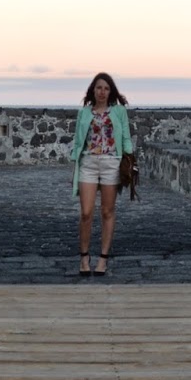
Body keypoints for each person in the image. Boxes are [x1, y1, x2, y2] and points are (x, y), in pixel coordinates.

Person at [70, 72, 133, 277]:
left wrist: (129, 160)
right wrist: (75, 162)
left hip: (111, 164)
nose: (102, 92)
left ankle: (103, 259)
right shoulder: (84, 113)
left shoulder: (119, 111)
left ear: (111, 91)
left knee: (107, 211)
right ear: (93, 90)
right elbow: (78, 141)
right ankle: (84, 257)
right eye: (99, 88)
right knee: (86, 213)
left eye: (106, 88)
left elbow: (126, 137)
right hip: (88, 163)